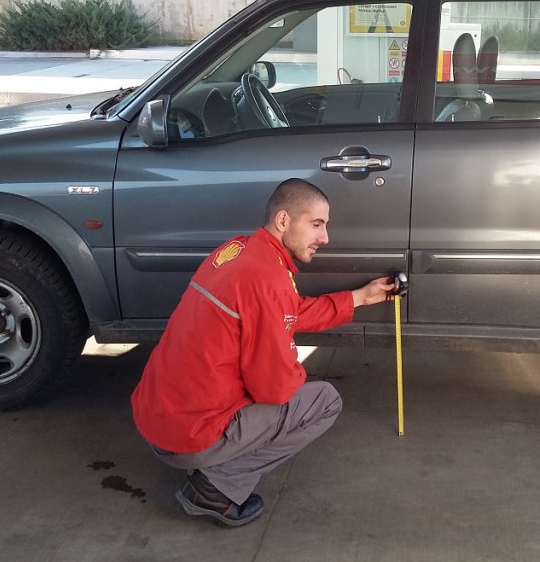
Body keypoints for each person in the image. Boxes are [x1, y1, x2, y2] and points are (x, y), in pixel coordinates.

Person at [130, 178, 395, 527]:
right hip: (190, 436)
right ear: (284, 220)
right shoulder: (269, 280)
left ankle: (211, 466)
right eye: (316, 224)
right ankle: (214, 489)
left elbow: (286, 311)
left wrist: (358, 298)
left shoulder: (237, 251)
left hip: (154, 418)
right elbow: (275, 388)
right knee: (323, 401)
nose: (325, 238)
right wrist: (290, 363)